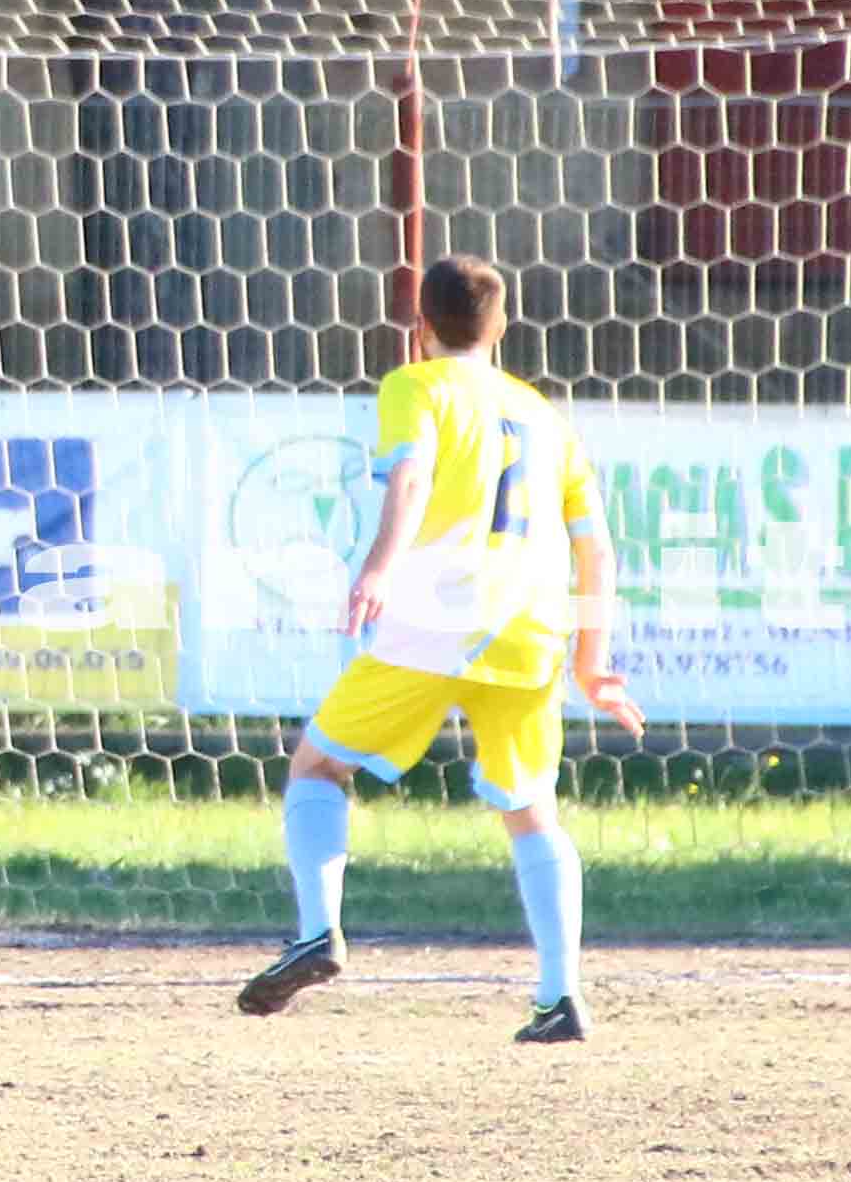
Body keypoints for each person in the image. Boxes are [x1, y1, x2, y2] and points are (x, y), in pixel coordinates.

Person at [237, 256, 641, 1036]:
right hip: (532, 626)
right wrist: (593, 662)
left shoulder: (414, 386)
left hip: (437, 614)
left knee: (318, 764)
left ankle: (318, 929)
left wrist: (380, 567)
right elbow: (598, 552)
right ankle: (560, 997)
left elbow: (412, 478)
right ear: (502, 329)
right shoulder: (545, 416)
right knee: (533, 810)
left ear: (418, 328)